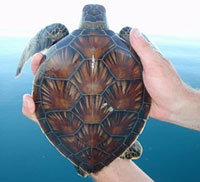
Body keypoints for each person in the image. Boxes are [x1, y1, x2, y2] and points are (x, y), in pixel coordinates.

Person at [22, 28, 200, 182]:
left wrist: (82, 153)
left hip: (71, 118)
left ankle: (97, 157)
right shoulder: (125, 38)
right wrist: (179, 102)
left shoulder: (62, 37)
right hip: (121, 112)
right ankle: (119, 148)